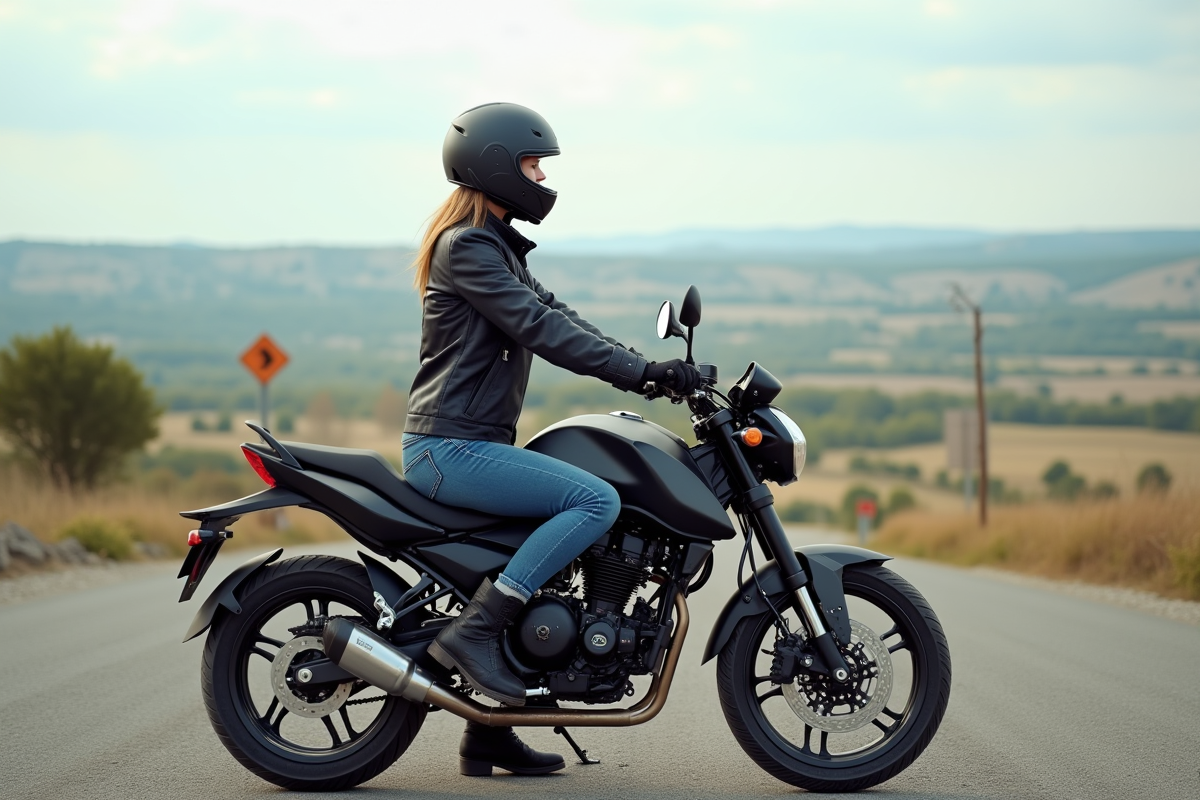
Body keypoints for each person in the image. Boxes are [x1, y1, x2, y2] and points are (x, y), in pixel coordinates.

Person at [400, 102, 701, 776]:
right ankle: (474, 634)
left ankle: (488, 734)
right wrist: (641, 373)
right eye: (533, 164)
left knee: (560, 553)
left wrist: (652, 373)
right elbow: (541, 330)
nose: (541, 177)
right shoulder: (470, 249)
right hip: (449, 451)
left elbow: (561, 316)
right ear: (498, 167)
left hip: (468, 447)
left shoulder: (494, 246)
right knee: (596, 504)